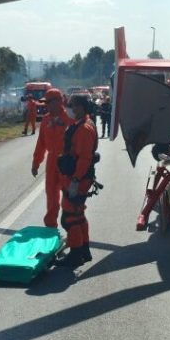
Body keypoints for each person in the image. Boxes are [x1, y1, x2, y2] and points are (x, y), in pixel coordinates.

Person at [56, 93, 99, 267]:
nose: (70, 109)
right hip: (78, 178)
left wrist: (75, 180)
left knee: (69, 217)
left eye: (73, 105)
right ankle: (83, 251)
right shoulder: (81, 125)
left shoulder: (84, 129)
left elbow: (84, 158)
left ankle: (75, 255)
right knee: (78, 215)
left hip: (78, 179)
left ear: (81, 107)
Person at [31, 88, 70, 228]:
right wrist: (36, 162)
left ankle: (70, 223)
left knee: (69, 195)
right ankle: (50, 225)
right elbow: (41, 142)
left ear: (59, 102)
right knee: (51, 194)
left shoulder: (69, 118)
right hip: (52, 160)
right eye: (45, 102)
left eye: (49, 102)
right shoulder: (46, 119)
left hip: (67, 161)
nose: (46, 105)